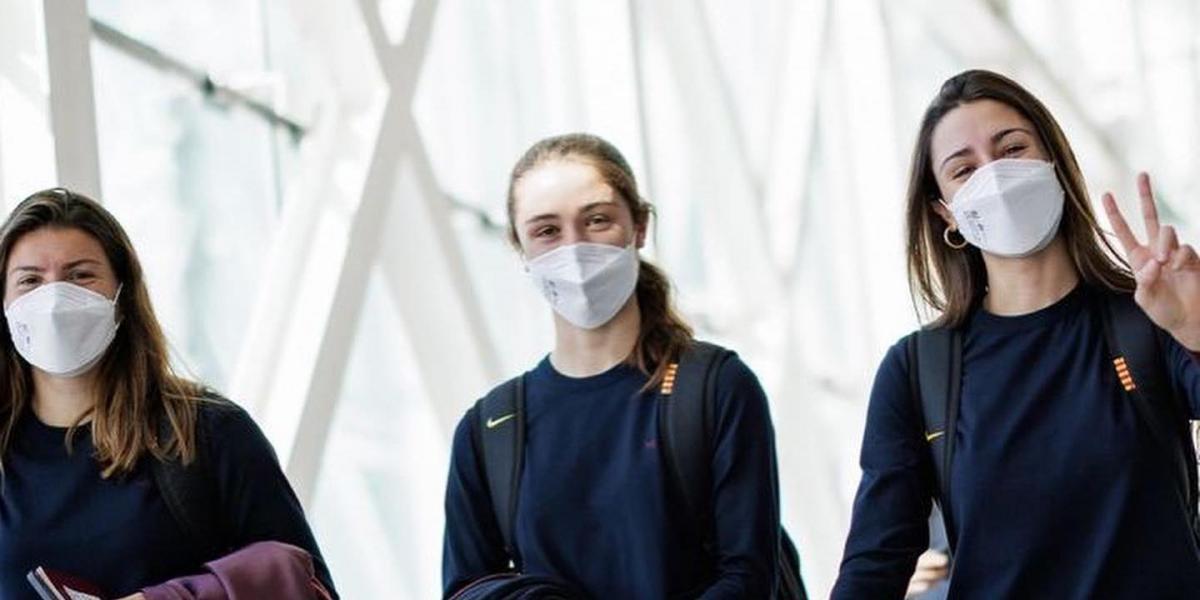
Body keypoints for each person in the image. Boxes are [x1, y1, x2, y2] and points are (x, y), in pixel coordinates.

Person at [832, 69, 1200, 598]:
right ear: (945, 213)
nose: (995, 176)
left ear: (1054, 163)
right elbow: (873, 566)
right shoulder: (918, 370)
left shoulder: (1146, 319)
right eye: (964, 170)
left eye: (1012, 149)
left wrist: (1193, 328)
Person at [442, 133, 784, 598]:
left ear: (639, 226)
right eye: (547, 231)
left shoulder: (713, 388)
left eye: (597, 220)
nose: (574, 248)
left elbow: (747, 576)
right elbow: (467, 589)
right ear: (520, 248)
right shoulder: (490, 429)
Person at [0, 188, 337, 599]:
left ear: (122, 296)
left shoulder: (208, 433)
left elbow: (310, 587)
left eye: (80, 275)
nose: (54, 301)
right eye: (30, 281)